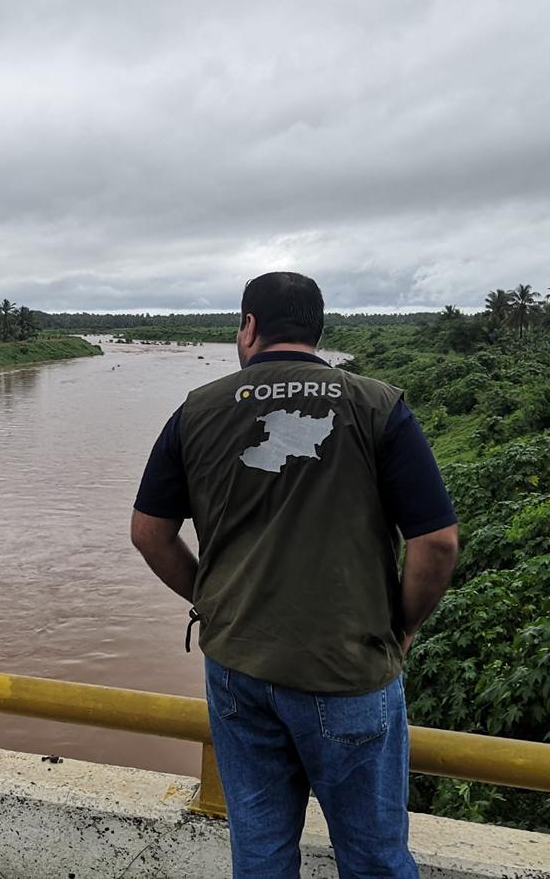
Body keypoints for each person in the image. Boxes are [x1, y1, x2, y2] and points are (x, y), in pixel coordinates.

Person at [130, 272, 459, 878]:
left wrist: (213, 598)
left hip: (238, 668)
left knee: (260, 851)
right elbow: (436, 544)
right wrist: (402, 627)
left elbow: (149, 534)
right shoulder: (378, 406)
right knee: (376, 857)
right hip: (348, 669)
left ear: (249, 326)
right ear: (318, 329)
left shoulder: (197, 409)